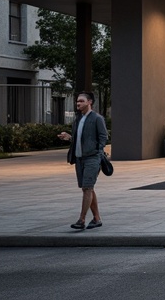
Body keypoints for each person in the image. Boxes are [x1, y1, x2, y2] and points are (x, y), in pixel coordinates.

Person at [57, 91, 108, 230]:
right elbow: (79, 139)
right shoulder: (78, 119)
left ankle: (81, 220)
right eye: (77, 101)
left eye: (81, 101)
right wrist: (69, 137)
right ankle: (97, 218)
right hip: (79, 159)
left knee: (87, 188)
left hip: (92, 158)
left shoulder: (97, 118)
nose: (78, 103)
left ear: (89, 102)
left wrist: (97, 151)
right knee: (88, 188)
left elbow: (104, 137)